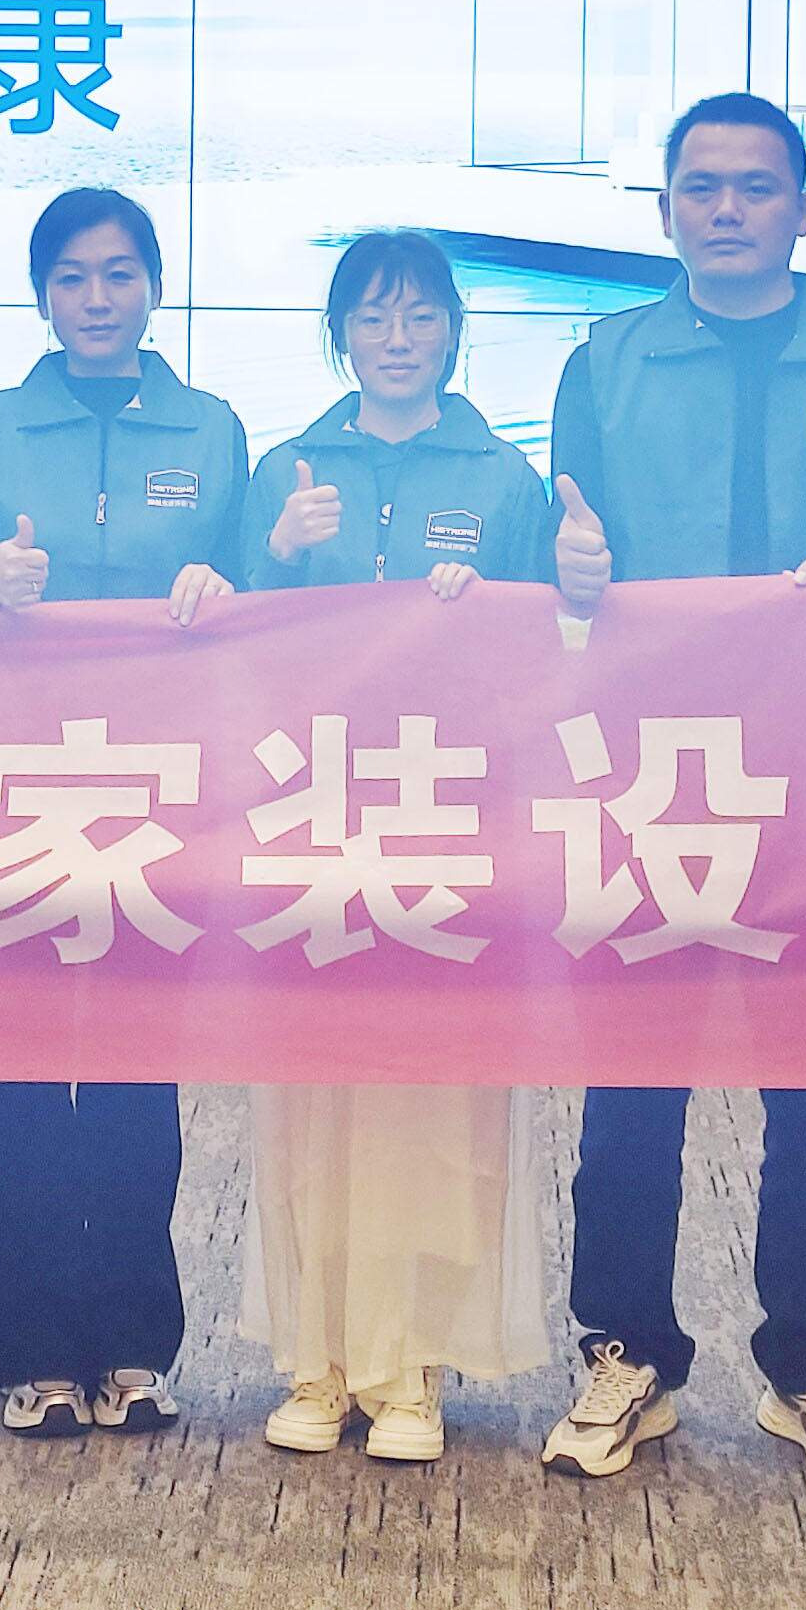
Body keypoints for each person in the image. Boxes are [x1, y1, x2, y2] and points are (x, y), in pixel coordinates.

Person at [536, 91, 806, 1487]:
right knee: (631, 1086)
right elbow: (561, 562)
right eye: (701, 186)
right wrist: (569, 573)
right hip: (650, 759)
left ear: (803, 209)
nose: (726, 208)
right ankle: (625, 1355)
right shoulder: (605, 360)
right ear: (665, 210)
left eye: (756, 186)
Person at [234, 230, 600, 1463]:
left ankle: (414, 1366)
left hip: (451, 823)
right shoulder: (285, 469)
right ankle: (321, 1357)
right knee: (313, 1089)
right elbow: (229, 647)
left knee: (435, 1095)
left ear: (453, 331)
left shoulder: (503, 479)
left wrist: (522, 601)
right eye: (373, 318)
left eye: (421, 316)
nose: (398, 340)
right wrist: (275, 557)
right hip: (315, 817)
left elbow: (544, 658)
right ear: (339, 334)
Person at [0, 188, 244, 1439]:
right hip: (15, 781)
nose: (97, 298)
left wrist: (226, 580)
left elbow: (261, 590)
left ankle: (133, 1346)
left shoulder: (214, 429)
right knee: (21, 1075)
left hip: (161, 786)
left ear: (155, 287)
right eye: (72, 277)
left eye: (120, 274)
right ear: (42, 295)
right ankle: (30, 1353)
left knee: (134, 1075)